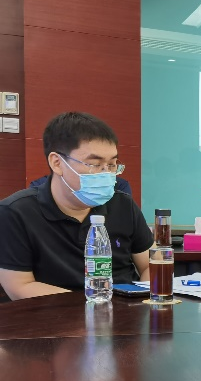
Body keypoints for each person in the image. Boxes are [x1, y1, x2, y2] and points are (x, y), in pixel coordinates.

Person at [0, 111, 153, 300]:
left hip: (125, 312)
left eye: (112, 164)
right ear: (57, 163)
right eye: (94, 164)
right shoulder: (15, 213)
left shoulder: (123, 205)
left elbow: (151, 265)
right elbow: (19, 287)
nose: (106, 174)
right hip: (52, 314)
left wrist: (145, 300)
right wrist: (95, 304)